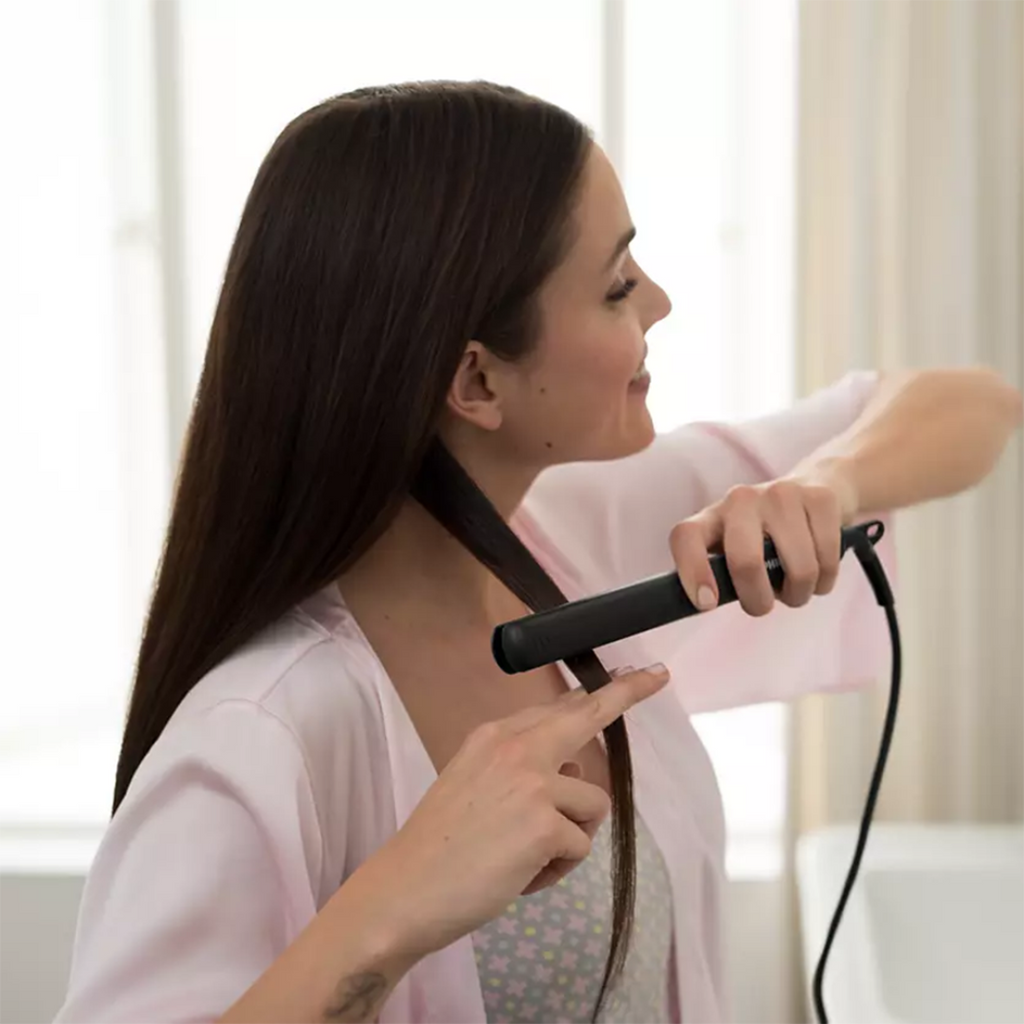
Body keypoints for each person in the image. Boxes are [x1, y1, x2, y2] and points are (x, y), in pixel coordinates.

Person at [55, 81, 1022, 1024]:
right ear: (476, 382)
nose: (660, 302)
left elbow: (971, 405)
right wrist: (393, 906)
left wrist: (829, 485)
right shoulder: (257, 735)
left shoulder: (572, 535)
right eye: (617, 286)